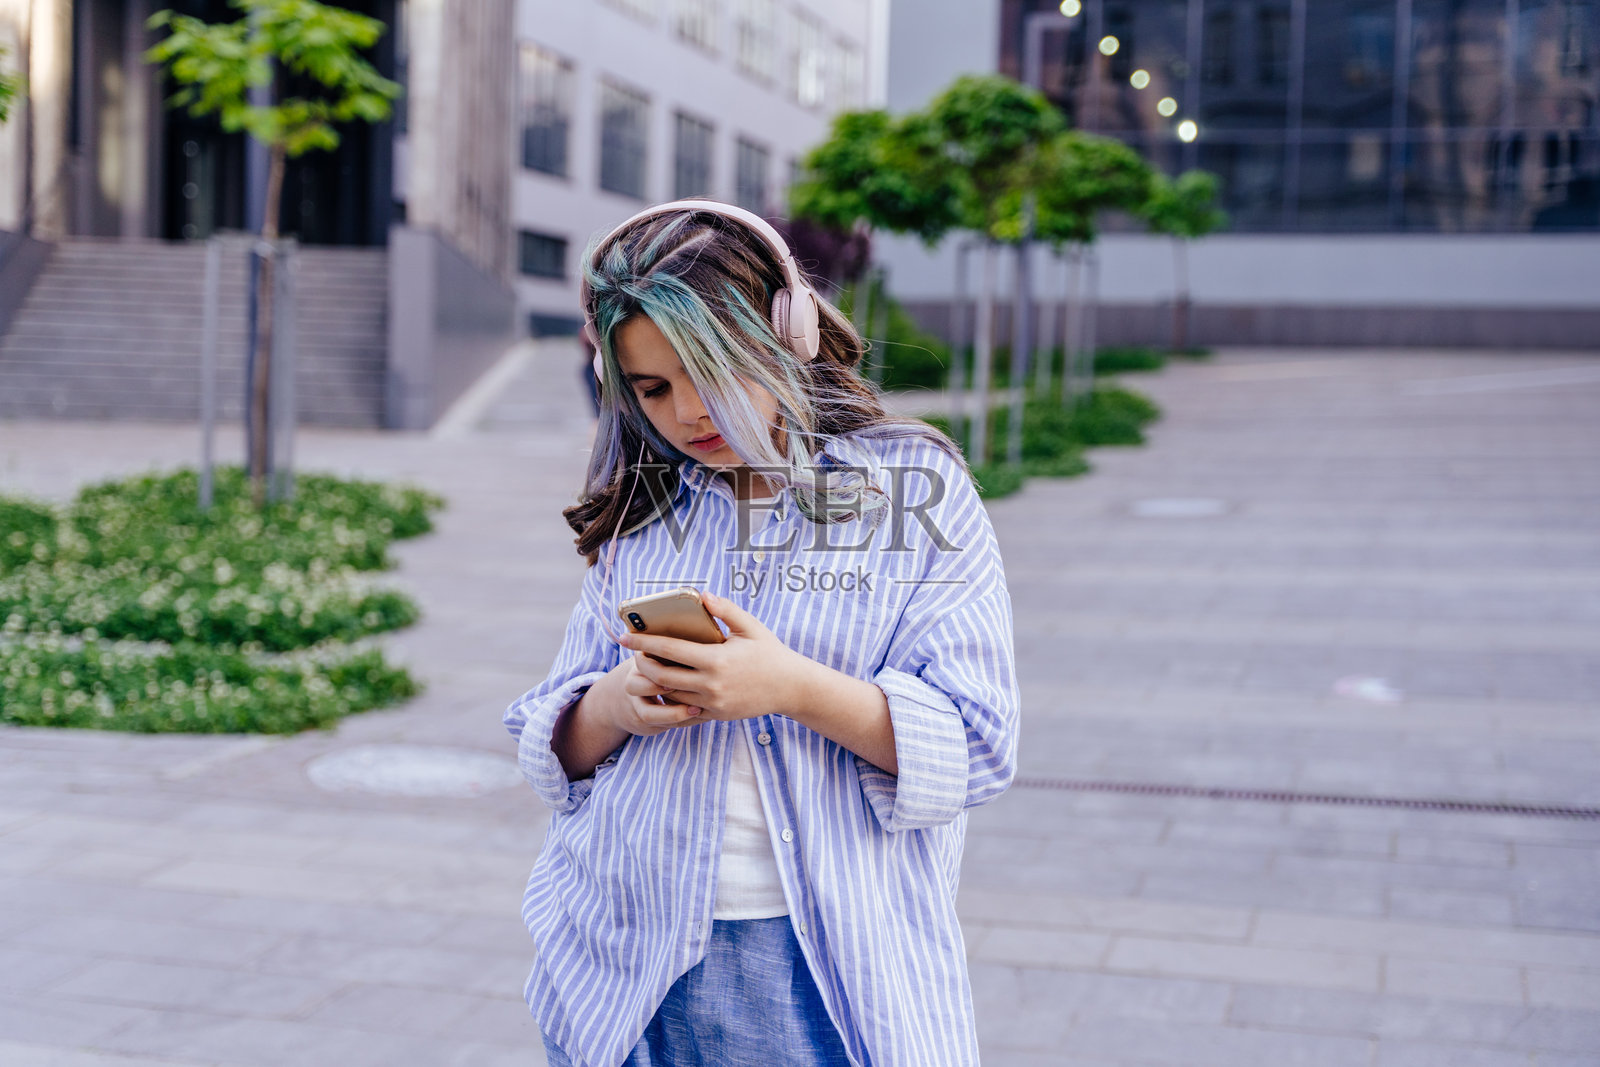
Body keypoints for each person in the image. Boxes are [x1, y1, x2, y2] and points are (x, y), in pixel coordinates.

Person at [502, 199, 1020, 1067]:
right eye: (652, 388)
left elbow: (977, 745)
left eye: (709, 372)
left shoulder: (910, 493)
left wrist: (788, 686)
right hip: (615, 967)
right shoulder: (646, 509)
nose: (685, 414)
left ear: (786, 335)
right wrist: (615, 703)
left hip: (818, 973)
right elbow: (553, 745)